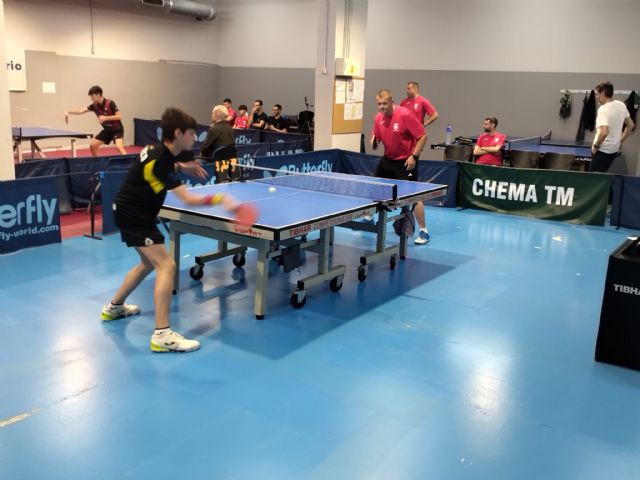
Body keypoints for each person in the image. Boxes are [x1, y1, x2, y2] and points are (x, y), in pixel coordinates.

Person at [101, 107, 244, 353]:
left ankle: (114, 307)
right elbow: (188, 200)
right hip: (135, 215)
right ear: (178, 133)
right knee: (167, 266)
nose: (195, 138)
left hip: (128, 209)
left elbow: (162, 163)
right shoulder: (161, 162)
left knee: (148, 263)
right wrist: (221, 198)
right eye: (192, 134)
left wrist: (180, 167)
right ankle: (162, 335)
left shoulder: (158, 150)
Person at [370, 89, 430, 245]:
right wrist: (374, 141)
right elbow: (376, 136)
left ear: (392, 101)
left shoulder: (405, 115)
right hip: (388, 160)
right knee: (374, 188)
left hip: (406, 162)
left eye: (385, 103)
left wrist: (414, 156)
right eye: (379, 104)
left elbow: (423, 136)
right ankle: (369, 217)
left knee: (414, 197)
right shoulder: (378, 118)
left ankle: (424, 231)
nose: (382, 107)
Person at [65, 85, 127, 156]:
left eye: (92, 95)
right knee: (93, 146)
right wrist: (68, 111)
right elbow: (80, 111)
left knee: (119, 147)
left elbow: (119, 116)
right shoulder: (94, 106)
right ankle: (99, 162)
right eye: (90, 96)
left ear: (99, 94)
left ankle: (130, 161)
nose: (91, 98)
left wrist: (105, 118)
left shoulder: (110, 103)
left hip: (117, 130)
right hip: (107, 131)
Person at [590, 81, 635, 172]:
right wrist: (619, 141)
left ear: (603, 93)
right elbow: (631, 125)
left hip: (602, 150)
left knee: (593, 178)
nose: (597, 97)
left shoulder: (603, 109)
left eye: (598, 94)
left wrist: (596, 146)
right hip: (613, 150)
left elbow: (604, 132)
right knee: (602, 175)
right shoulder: (621, 105)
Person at [200, 105, 238, 182]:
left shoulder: (213, 129)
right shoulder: (231, 129)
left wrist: (202, 155)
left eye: (212, 113)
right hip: (230, 162)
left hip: (214, 161)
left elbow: (204, 148)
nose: (211, 115)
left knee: (199, 159)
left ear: (217, 114)